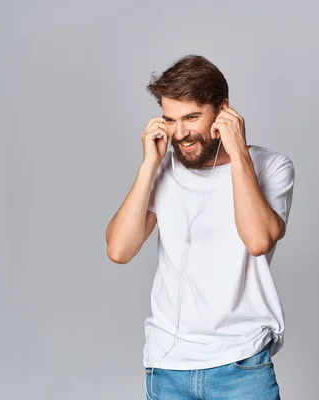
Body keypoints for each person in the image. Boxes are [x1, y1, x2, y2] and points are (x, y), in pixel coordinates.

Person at [105, 55, 295, 399]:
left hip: (241, 364)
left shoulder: (272, 167)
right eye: (171, 120)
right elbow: (119, 250)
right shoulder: (164, 170)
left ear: (223, 110)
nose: (181, 133)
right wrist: (150, 164)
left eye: (192, 117)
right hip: (167, 366)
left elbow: (257, 240)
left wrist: (238, 150)